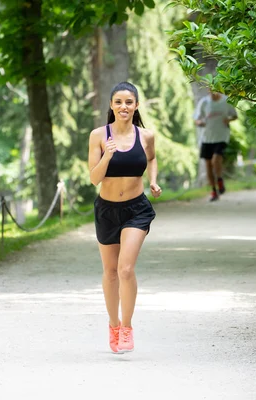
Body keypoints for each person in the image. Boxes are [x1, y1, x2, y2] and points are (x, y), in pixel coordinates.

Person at [87, 81, 162, 354]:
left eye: (129, 102)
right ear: (111, 105)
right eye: (118, 102)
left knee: (125, 269)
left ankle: (127, 328)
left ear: (136, 105)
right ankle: (113, 324)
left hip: (136, 209)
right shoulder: (98, 135)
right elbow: (94, 178)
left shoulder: (146, 136)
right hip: (107, 209)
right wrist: (107, 156)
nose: (124, 107)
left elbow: (151, 158)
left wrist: (153, 181)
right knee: (110, 272)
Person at [194, 90, 237, 201]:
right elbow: (196, 119)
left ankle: (219, 179)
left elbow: (234, 116)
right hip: (206, 138)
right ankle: (214, 191)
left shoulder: (226, 101)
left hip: (221, 136)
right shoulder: (204, 102)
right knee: (208, 164)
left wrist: (228, 119)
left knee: (216, 160)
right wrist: (200, 123)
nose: (213, 92)